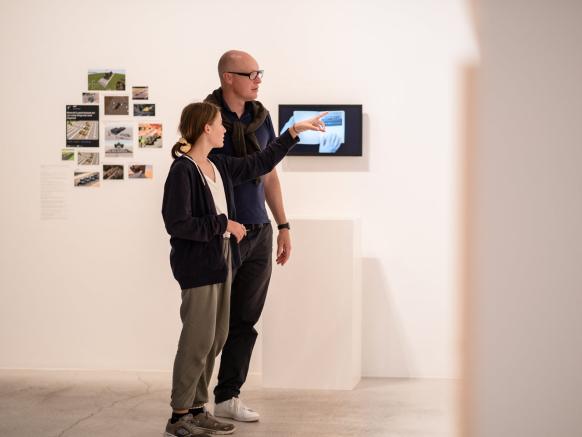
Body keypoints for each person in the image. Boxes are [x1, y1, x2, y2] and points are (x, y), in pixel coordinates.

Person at [162, 101, 326, 437]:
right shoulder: (184, 170)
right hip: (199, 264)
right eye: (220, 124)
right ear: (205, 128)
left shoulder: (217, 166)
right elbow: (176, 223)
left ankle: (197, 408)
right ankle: (179, 416)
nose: (225, 129)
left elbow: (261, 162)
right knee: (197, 339)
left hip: (221, 258)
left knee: (216, 336)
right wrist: (225, 224)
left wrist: (293, 132)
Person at [203, 50, 293, 422]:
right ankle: (191, 403)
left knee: (245, 320)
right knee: (211, 322)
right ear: (228, 77)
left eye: (260, 73)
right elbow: (214, 171)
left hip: (260, 231)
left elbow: (269, 173)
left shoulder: (261, 118)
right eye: (251, 73)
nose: (258, 79)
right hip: (224, 232)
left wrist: (283, 224)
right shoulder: (206, 117)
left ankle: (227, 396)